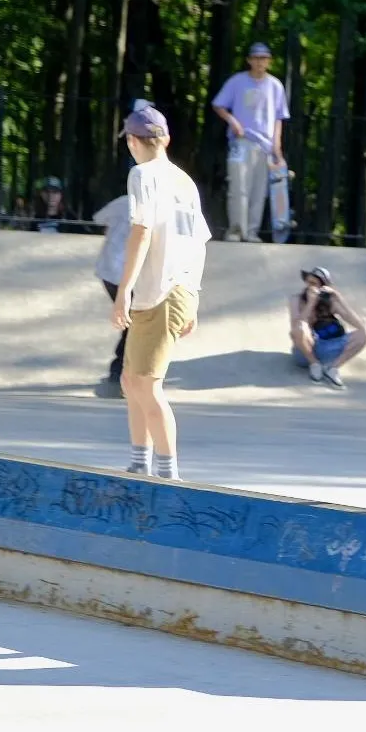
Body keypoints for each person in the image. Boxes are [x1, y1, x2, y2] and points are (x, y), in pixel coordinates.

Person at [110, 103, 211, 480]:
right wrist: (194, 295)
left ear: (133, 142)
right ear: (165, 139)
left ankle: (168, 473)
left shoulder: (142, 174)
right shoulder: (185, 181)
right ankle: (140, 461)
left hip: (161, 291)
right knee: (130, 379)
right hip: (175, 289)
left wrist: (123, 290)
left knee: (147, 384)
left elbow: (142, 230)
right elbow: (199, 242)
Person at [211, 42, 290, 242]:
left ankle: (252, 231)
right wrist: (233, 121)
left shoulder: (275, 85)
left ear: (269, 61)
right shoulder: (237, 81)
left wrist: (277, 147)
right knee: (238, 187)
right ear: (249, 60)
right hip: (241, 141)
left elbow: (278, 118)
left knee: (259, 190)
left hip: (265, 145)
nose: (259, 62)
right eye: (256, 58)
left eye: (263, 58)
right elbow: (218, 104)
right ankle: (236, 230)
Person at [289, 266, 366, 389]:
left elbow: (359, 326)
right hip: (305, 352)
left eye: (313, 283)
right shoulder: (296, 299)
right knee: (301, 326)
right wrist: (311, 303)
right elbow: (295, 327)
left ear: (322, 287)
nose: (309, 286)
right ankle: (314, 364)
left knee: (365, 334)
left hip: (328, 350)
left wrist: (339, 298)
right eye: (308, 282)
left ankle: (333, 369)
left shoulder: (331, 303)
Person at [93, 194, 133, 396]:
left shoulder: (123, 201)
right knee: (136, 323)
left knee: (132, 322)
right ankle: (120, 371)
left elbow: (98, 218)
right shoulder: (158, 205)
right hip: (129, 276)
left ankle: (121, 370)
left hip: (107, 272)